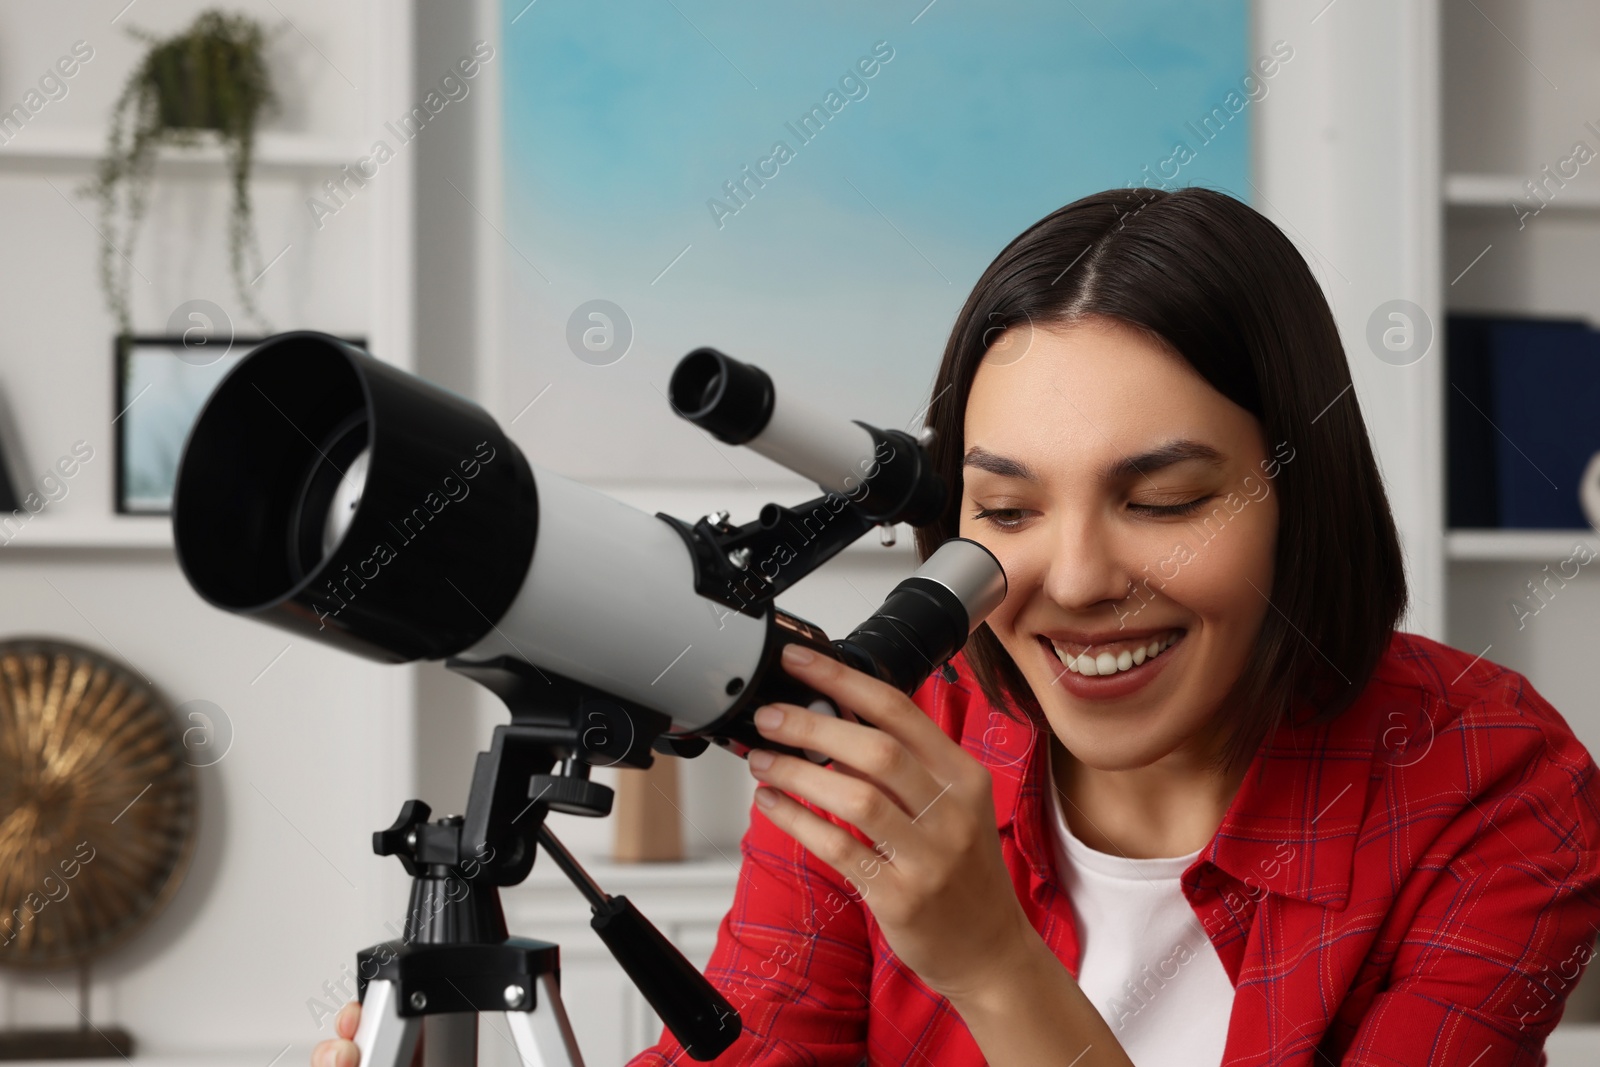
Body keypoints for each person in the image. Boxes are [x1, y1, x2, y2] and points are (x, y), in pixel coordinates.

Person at [312, 187, 1600, 1067]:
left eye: (1164, 500)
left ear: (1296, 490)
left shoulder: (1494, 782)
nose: (1078, 579)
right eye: (1007, 507)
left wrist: (992, 964)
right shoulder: (906, 734)